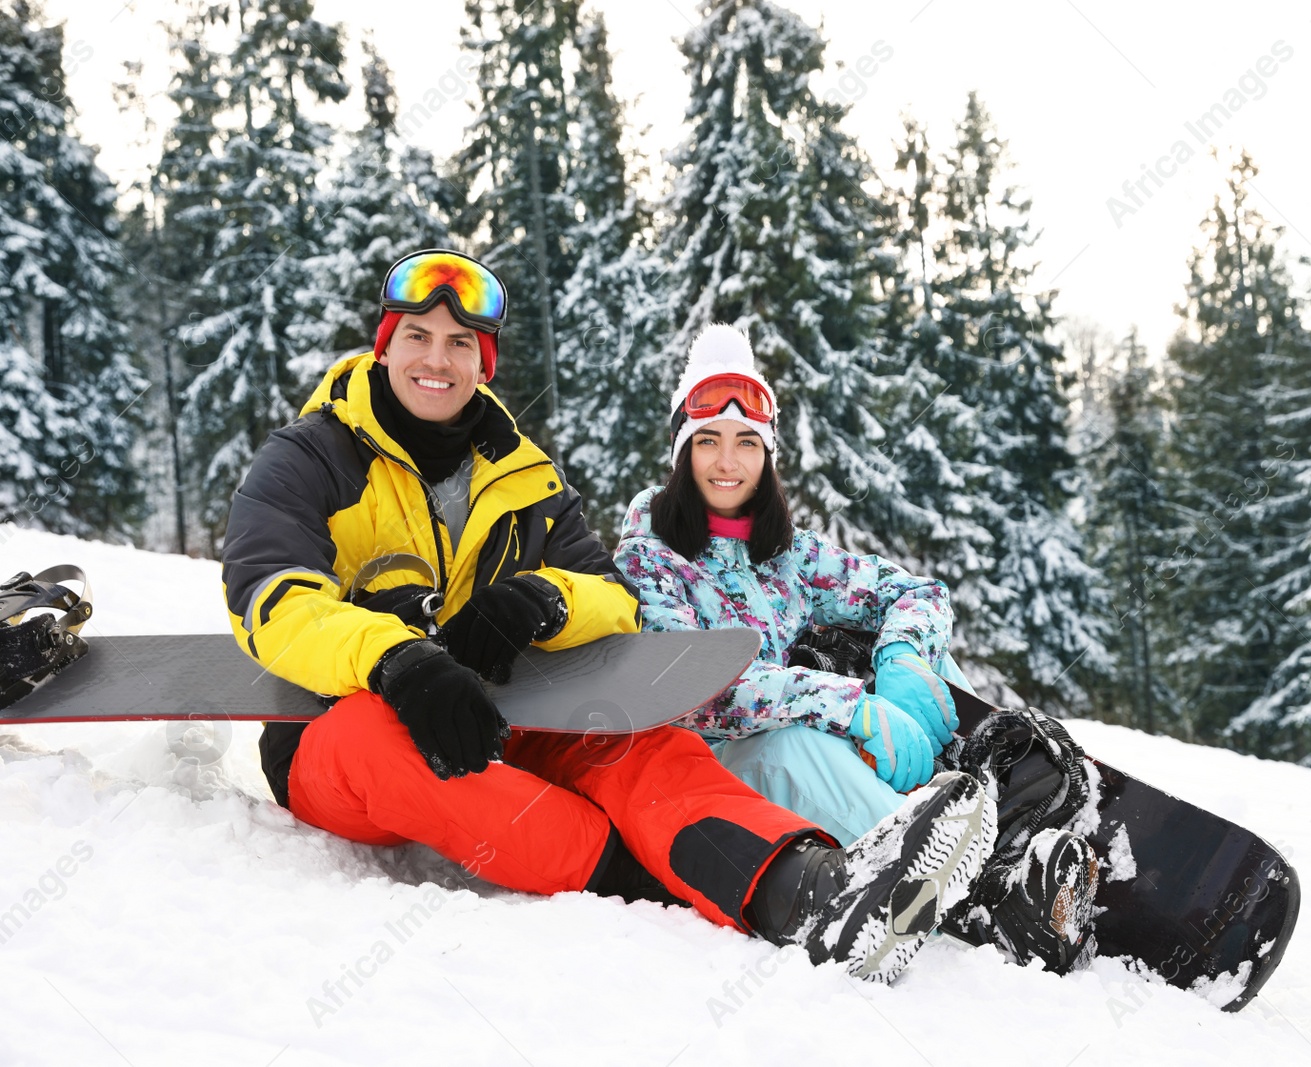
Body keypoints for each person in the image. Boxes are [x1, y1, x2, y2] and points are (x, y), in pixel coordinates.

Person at [220, 250, 996, 983]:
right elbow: (269, 593)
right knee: (390, 747)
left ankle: (808, 893)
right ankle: (644, 872)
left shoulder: (522, 473)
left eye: (460, 342)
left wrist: (545, 600)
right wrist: (394, 657)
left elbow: (609, 596)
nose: (437, 359)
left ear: (483, 362)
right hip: (342, 726)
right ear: (384, 347)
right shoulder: (310, 456)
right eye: (417, 337)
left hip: (510, 709)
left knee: (641, 746)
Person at [613, 323, 1099, 973]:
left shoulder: (786, 553)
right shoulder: (651, 555)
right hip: (718, 765)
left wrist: (900, 659)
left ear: (767, 454)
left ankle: (1000, 811)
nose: (727, 461)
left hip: (796, 727)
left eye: (745, 443)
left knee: (915, 658)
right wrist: (847, 706)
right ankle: (979, 896)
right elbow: (695, 689)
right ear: (683, 452)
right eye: (708, 441)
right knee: (795, 745)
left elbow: (915, 590)